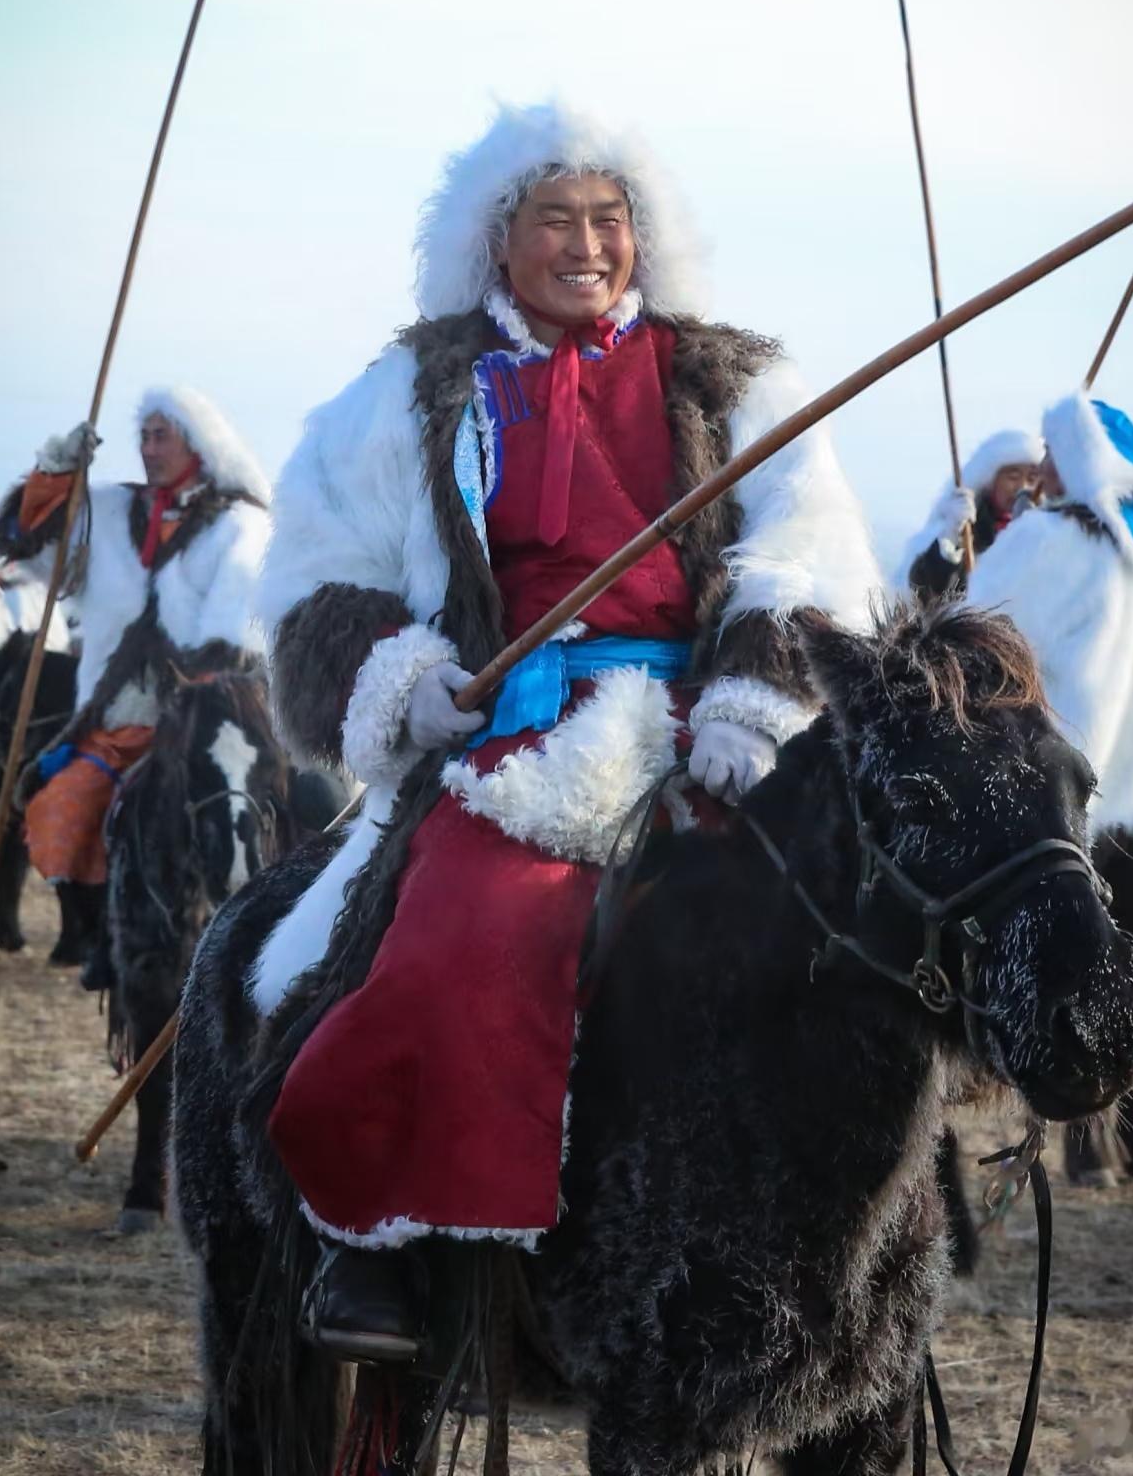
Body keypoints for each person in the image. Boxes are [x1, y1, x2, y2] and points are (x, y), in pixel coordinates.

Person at [250, 100, 882, 1359]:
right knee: (464, 930)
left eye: (609, 220)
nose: (585, 244)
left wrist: (759, 694)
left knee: (857, 936)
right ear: (500, 237)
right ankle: (394, 1241)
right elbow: (320, 567)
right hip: (513, 741)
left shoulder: (732, 378)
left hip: (710, 728)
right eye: (556, 220)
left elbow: (806, 547)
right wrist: (404, 679)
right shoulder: (409, 392)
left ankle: (856, 1245)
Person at [0, 389, 270, 978]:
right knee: (59, 812)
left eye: (160, 435)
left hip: (207, 722)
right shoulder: (111, 512)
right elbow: (37, 546)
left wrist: (201, 685)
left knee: (285, 805)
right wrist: (57, 473)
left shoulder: (238, 524)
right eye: (142, 437)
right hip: (115, 718)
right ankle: (106, 937)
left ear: (196, 441)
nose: (148, 449)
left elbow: (237, 622)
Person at [967, 391, 1133, 828]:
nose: (1041, 469)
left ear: (1077, 461)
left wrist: (1011, 541)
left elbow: (975, 637)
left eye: (1052, 453)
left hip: (1066, 782)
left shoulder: (1043, 538)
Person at [898, 430, 1043, 598]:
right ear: (991, 480)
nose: (1022, 487)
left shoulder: (1047, 536)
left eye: (1032, 479)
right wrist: (950, 539)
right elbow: (926, 591)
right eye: (1013, 477)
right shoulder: (968, 532)